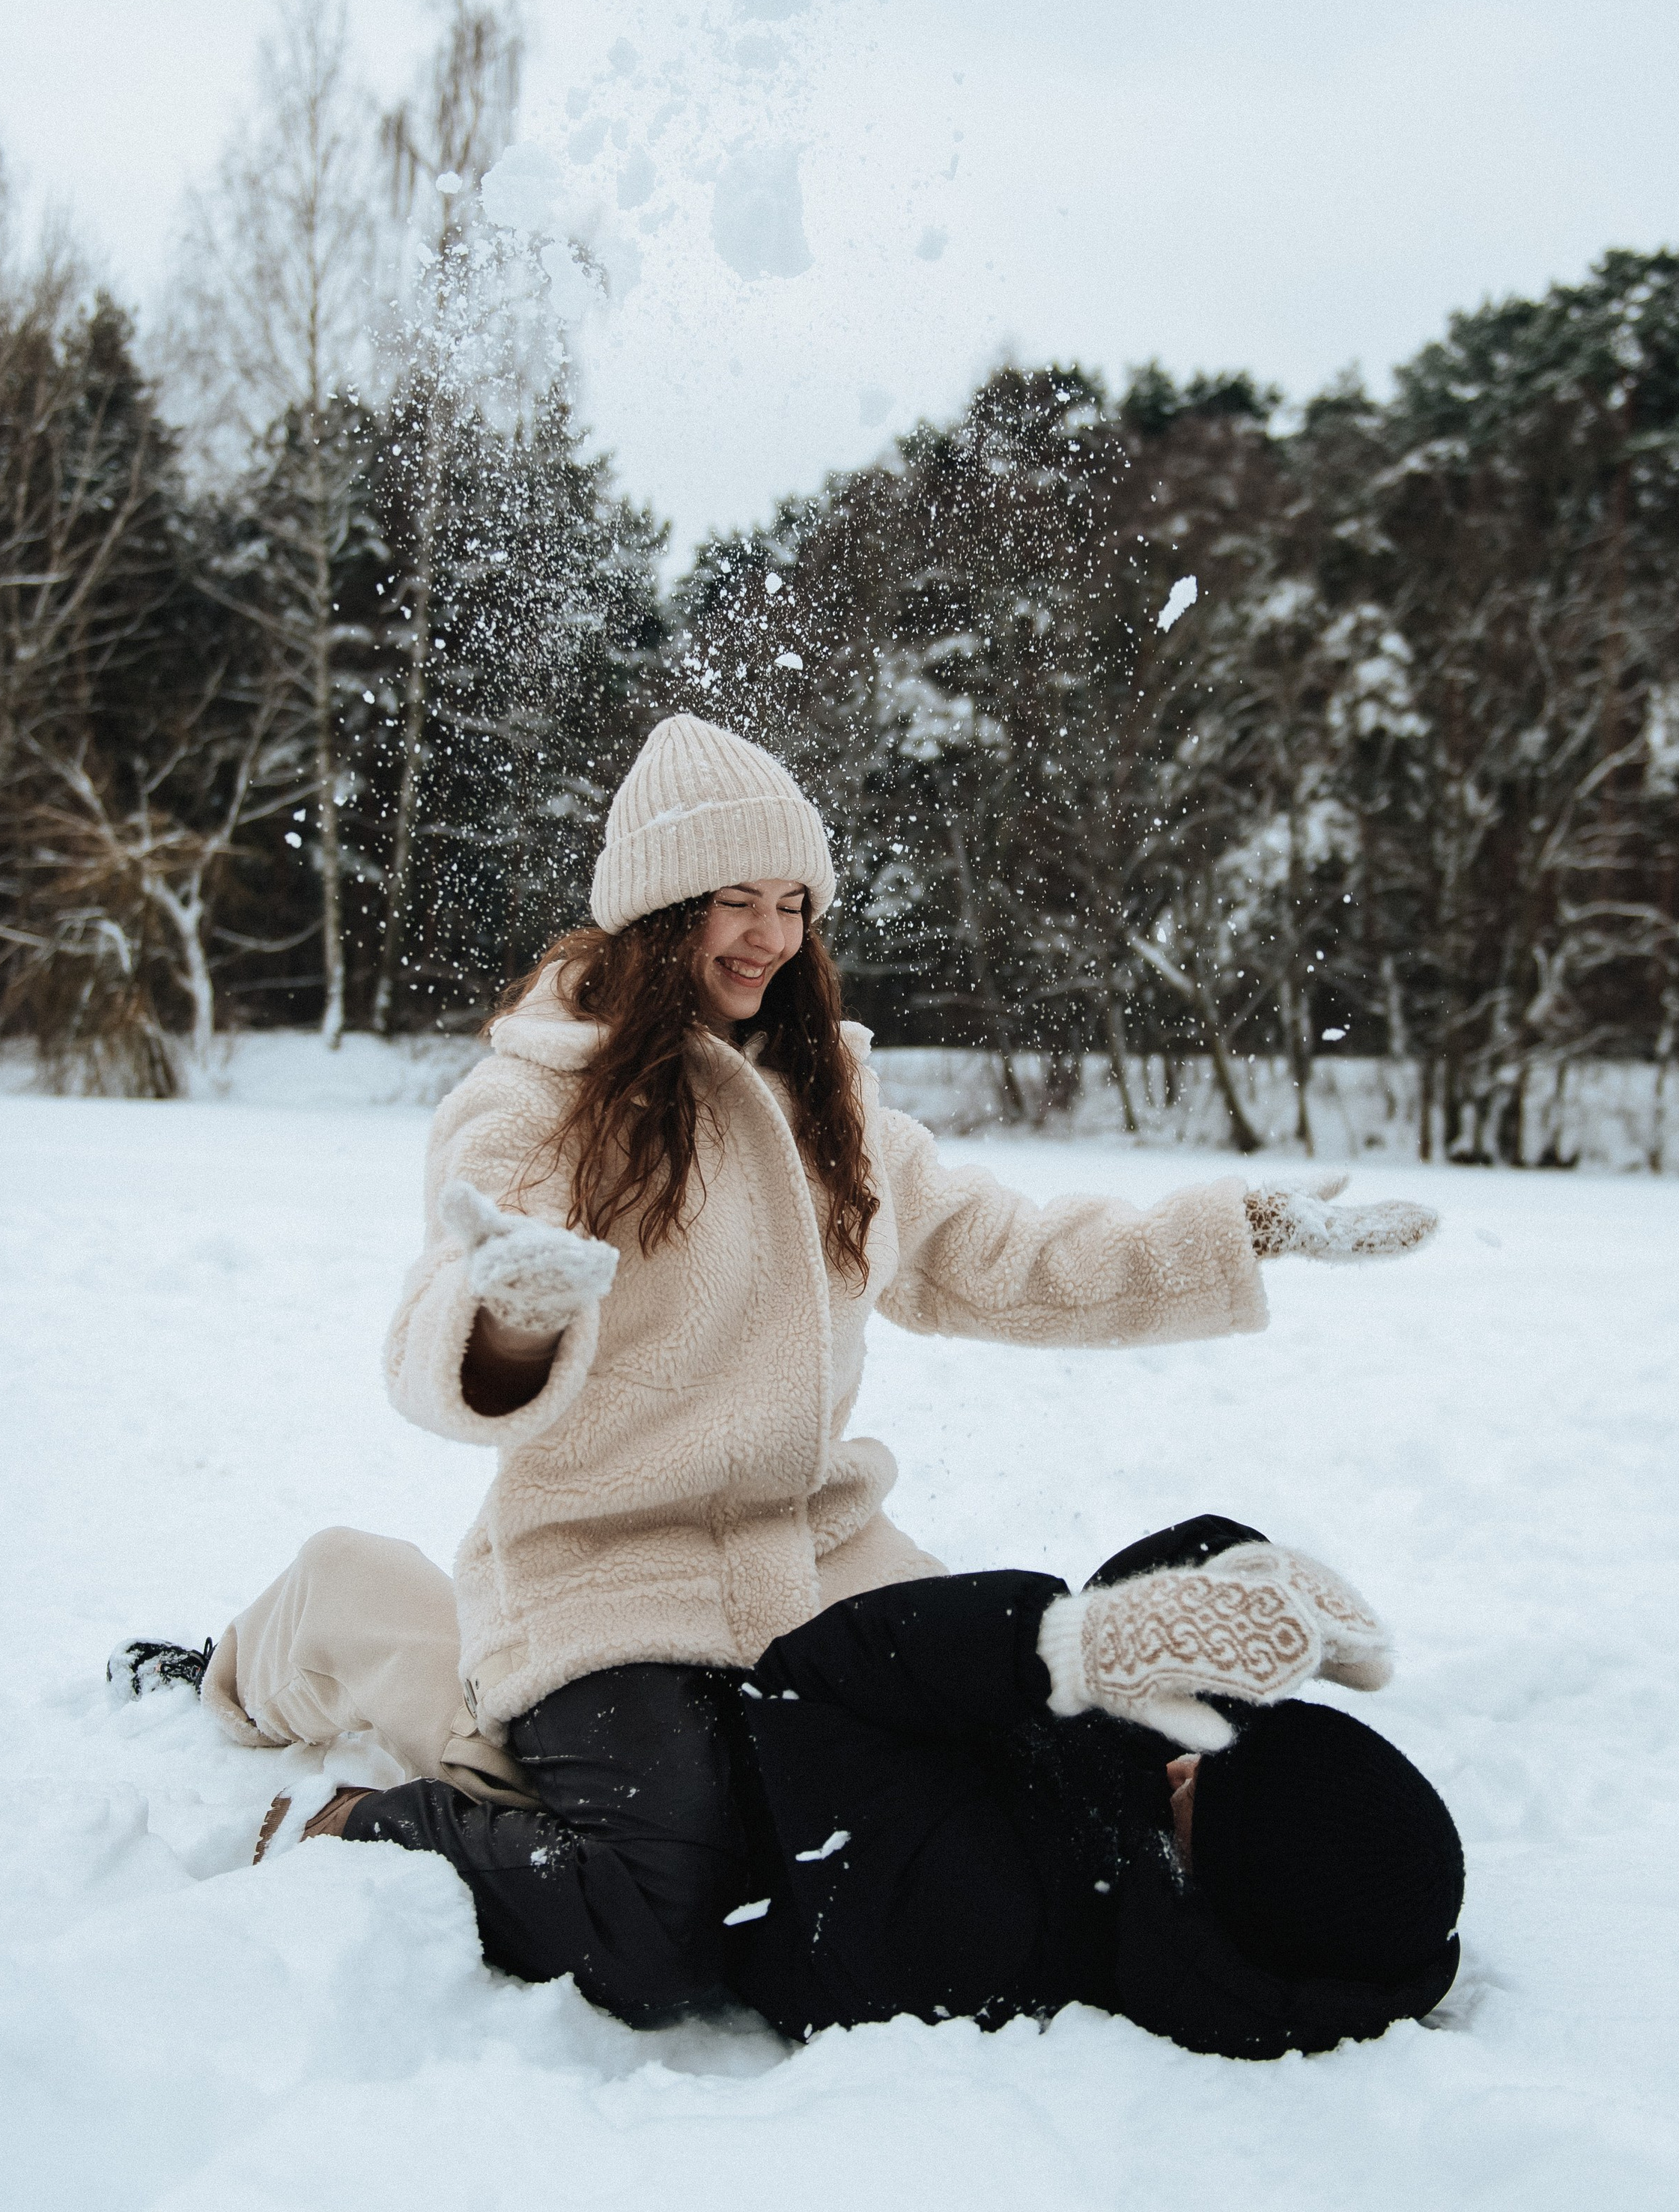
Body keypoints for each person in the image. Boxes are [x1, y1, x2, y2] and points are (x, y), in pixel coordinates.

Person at [115, 713, 1441, 2034]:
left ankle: (480, 1725)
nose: (769, 936)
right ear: (655, 911)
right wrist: (507, 1315)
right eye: (734, 902)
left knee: (996, 1769)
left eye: (793, 902)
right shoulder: (535, 1109)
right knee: (657, 1911)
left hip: (820, 1558)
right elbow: (429, 1350)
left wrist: (1233, 1232)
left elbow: (1003, 1254)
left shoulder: (832, 1109)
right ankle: (355, 1778)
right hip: (607, 1570)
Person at [262, 1512, 1467, 2058]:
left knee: (397, 1627)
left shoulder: (985, 1925)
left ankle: (351, 1803)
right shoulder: (1209, 1846)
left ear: (1216, 1878)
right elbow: (1146, 1629)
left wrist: (1034, 1643)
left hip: (717, 1781)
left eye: (1209, 1781)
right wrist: (1240, 1577)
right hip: (827, 1711)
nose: (1191, 1756)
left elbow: (809, 1689)